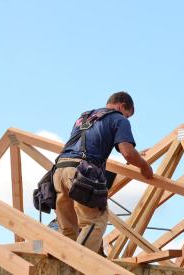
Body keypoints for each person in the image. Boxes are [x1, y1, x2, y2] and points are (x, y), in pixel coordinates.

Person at [53, 91, 153, 252]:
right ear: (122, 106)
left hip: (60, 170)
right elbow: (127, 151)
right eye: (128, 115)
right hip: (81, 172)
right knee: (95, 222)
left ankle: (64, 263)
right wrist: (144, 166)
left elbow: (90, 144)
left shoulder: (84, 117)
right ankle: (78, 266)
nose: (126, 119)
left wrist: (134, 156)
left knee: (69, 228)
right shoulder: (119, 119)